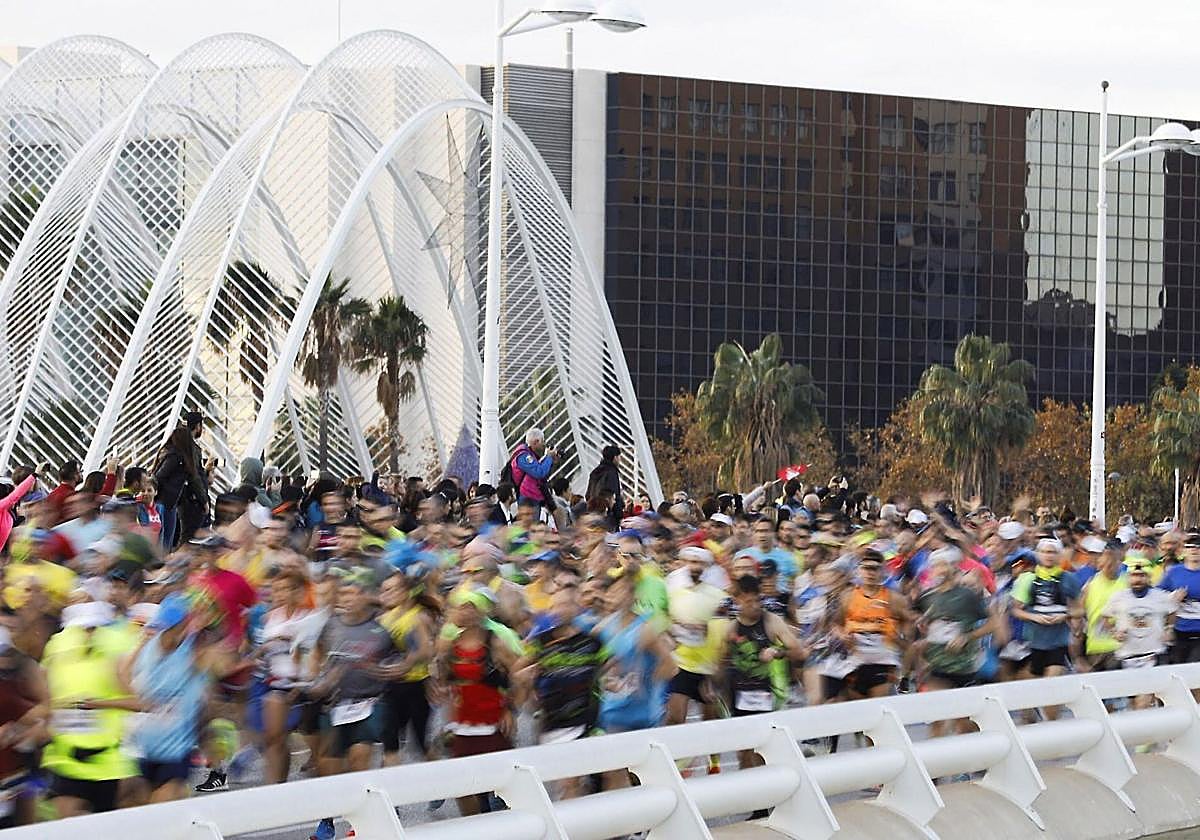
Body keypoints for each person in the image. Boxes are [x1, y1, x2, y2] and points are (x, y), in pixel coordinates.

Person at [123, 594, 231, 804]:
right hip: (143, 747)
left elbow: (221, 663)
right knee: (140, 810)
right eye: (162, 627)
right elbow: (124, 672)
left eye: (171, 628)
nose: (165, 633)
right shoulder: (148, 647)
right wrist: (139, 698)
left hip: (175, 750)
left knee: (159, 808)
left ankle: (216, 772)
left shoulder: (195, 651)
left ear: (182, 625)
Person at [40, 602, 138, 818]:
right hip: (66, 757)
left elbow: (139, 701)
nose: (88, 633)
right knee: (68, 824)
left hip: (110, 760)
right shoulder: (57, 645)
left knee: (107, 825)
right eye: (83, 628)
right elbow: (44, 687)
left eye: (93, 627)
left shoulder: (120, 644)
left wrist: (99, 703)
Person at [716, 576, 803, 770]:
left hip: (768, 691)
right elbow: (720, 661)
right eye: (749, 602)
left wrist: (777, 652)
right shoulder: (730, 628)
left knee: (765, 747)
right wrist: (714, 687)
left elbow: (798, 652)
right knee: (744, 750)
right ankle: (750, 794)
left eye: (758, 600)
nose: (755, 606)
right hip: (739, 693)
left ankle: (768, 791)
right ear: (737, 600)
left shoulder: (772, 622)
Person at [1010, 538, 1082, 718]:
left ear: (1058, 555)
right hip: (1033, 641)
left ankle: (1053, 729)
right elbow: (1016, 610)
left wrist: (1065, 616)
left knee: (1051, 689)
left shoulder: (1068, 579)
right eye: (1044, 552)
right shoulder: (1028, 579)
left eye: (1052, 552)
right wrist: (1034, 617)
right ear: (1038, 554)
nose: (1048, 556)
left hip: (1058, 642)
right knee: (1030, 688)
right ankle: (1030, 718)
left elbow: (1079, 609)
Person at [153, 426, 208, 549]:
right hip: (167, 502)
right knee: (166, 539)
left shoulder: (168, 452)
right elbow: (160, 476)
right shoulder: (176, 457)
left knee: (165, 539)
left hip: (165, 502)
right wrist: (204, 501)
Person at [1162, 532, 1200, 664]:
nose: (1194, 549)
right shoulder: (1175, 572)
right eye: (1190, 546)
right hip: (1180, 630)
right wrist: (1173, 597)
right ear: (1184, 550)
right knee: (1179, 668)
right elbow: (1157, 594)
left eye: (1198, 546)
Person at [507, 428, 556, 512]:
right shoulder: (523, 456)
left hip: (532, 496)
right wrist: (548, 457)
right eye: (542, 441)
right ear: (536, 442)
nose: (543, 445)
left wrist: (550, 460)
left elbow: (541, 472)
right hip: (527, 498)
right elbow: (539, 472)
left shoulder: (530, 454)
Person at [585, 445, 623, 529]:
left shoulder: (595, 472)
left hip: (594, 513)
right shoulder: (612, 473)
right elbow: (615, 495)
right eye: (619, 457)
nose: (620, 459)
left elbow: (588, 494)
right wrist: (619, 515)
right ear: (615, 457)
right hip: (609, 516)